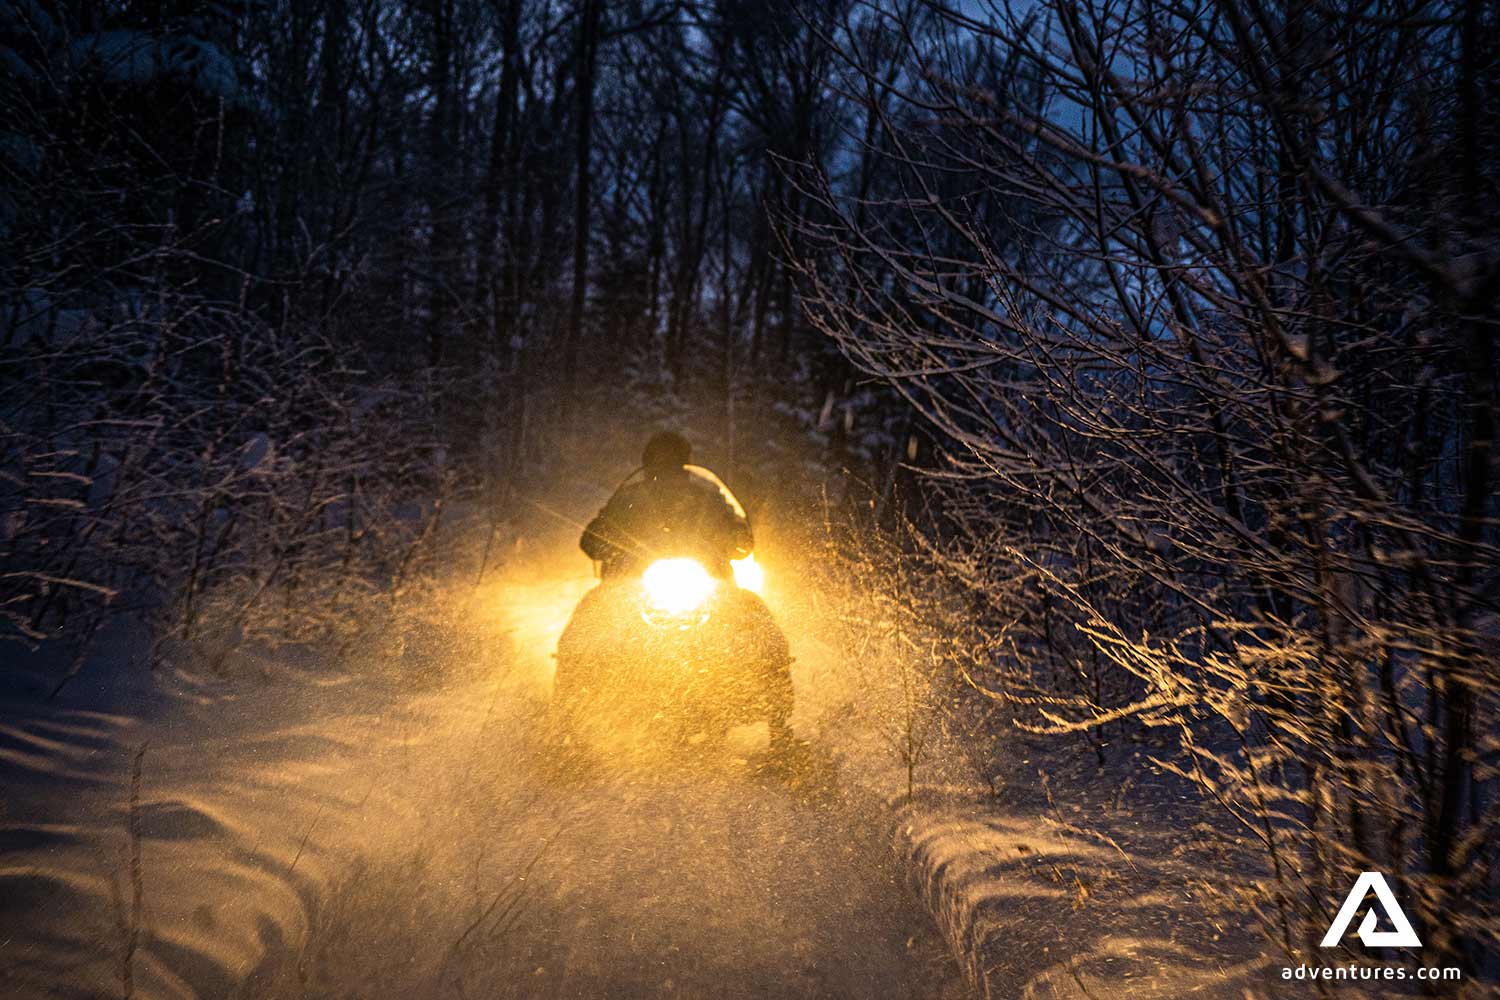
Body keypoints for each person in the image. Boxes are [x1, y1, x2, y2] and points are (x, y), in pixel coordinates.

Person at [580, 431, 752, 580]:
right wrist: (603, 539)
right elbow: (594, 540)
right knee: (592, 606)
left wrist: (736, 536)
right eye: (661, 461)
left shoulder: (706, 501)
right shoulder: (628, 501)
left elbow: (736, 538)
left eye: (672, 461)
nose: (666, 468)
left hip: (706, 585)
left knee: (750, 608)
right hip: (632, 586)